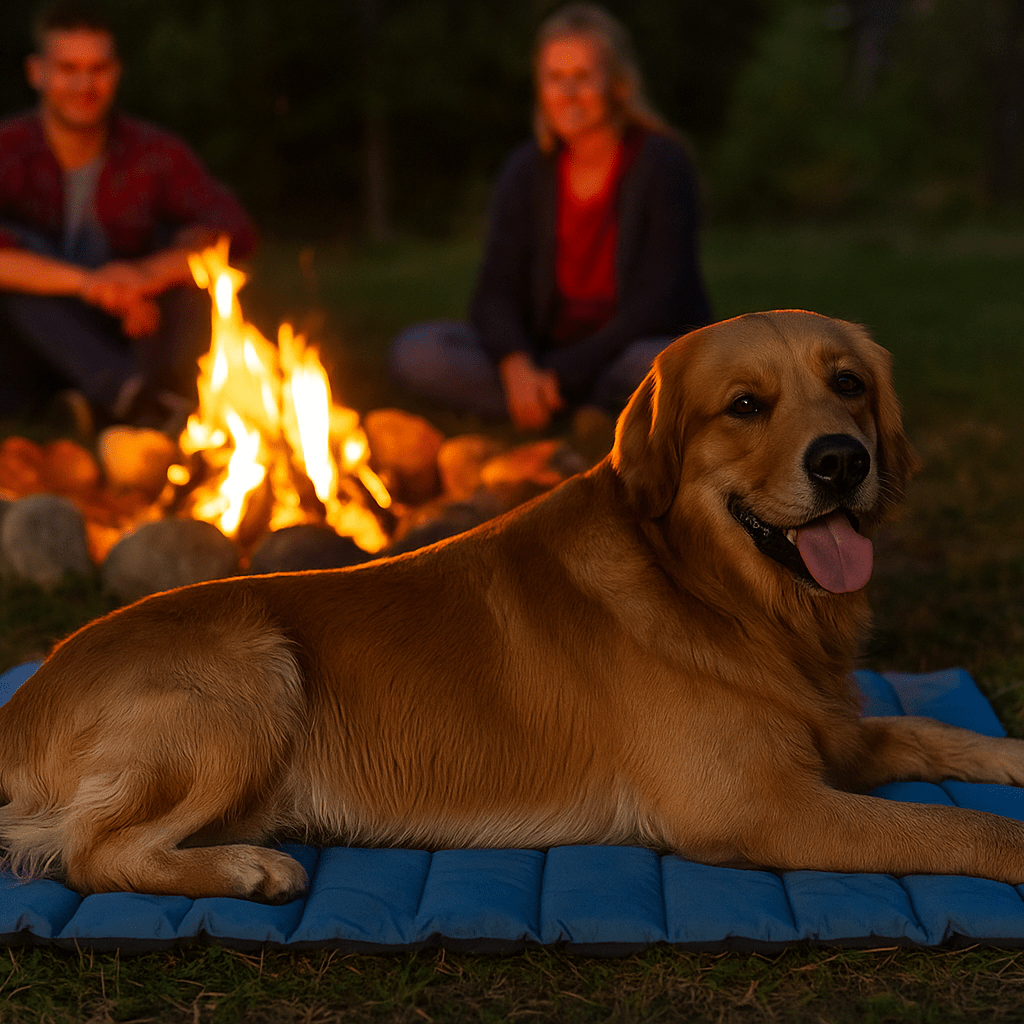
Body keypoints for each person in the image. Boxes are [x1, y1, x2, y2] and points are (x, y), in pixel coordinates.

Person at [389, 3, 712, 432]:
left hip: (628, 351)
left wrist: (561, 373)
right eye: (554, 78)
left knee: (665, 367)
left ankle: (567, 406)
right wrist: (516, 365)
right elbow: (493, 293)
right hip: (545, 352)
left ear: (617, 83)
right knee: (419, 351)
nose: (568, 93)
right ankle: (580, 412)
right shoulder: (525, 170)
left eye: (583, 78)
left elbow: (657, 302)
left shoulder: (661, 163)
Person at [0, 0, 257, 435]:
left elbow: (233, 231)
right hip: (33, 340)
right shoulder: (7, 149)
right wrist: (92, 285)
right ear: (36, 73)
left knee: (195, 269)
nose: (84, 84)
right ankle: (136, 401)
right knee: (19, 281)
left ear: (115, 73)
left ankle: (116, 402)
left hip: (133, 330)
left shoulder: (154, 151)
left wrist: (144, 274)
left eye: (97, 69)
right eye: (67, 68)